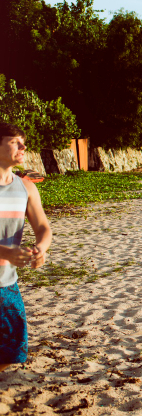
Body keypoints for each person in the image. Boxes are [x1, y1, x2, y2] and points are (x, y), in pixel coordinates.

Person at [0, 122, 52, 370]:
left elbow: (43, 227)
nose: (23, 147)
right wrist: (5, 252)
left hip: (6, 282)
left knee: (12, 351)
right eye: (15, 142)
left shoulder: (26, 187)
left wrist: (41, 248)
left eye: (23, 142)